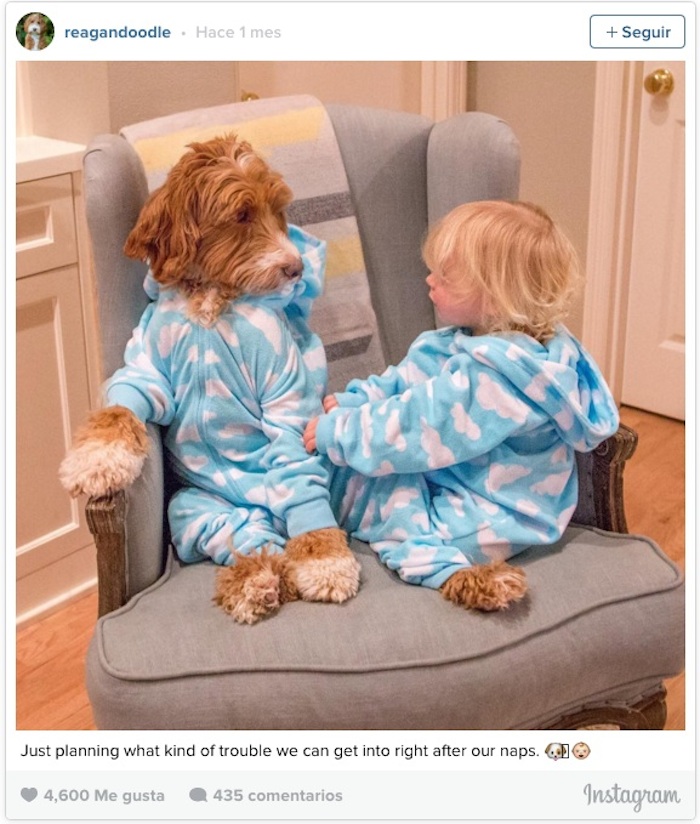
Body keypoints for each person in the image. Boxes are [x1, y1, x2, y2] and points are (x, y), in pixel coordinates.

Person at [303, 200, 620, 610]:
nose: (430, 279)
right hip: (463, 474)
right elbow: (411, 381)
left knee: (382, 497)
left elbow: (420, 424)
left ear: (495, 296)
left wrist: (342, 432)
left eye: (446, 276)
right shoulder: (467, 339)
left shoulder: (498, 379)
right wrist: (359, 400)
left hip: (494, 512)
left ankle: (443, 569)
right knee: (356, 467)